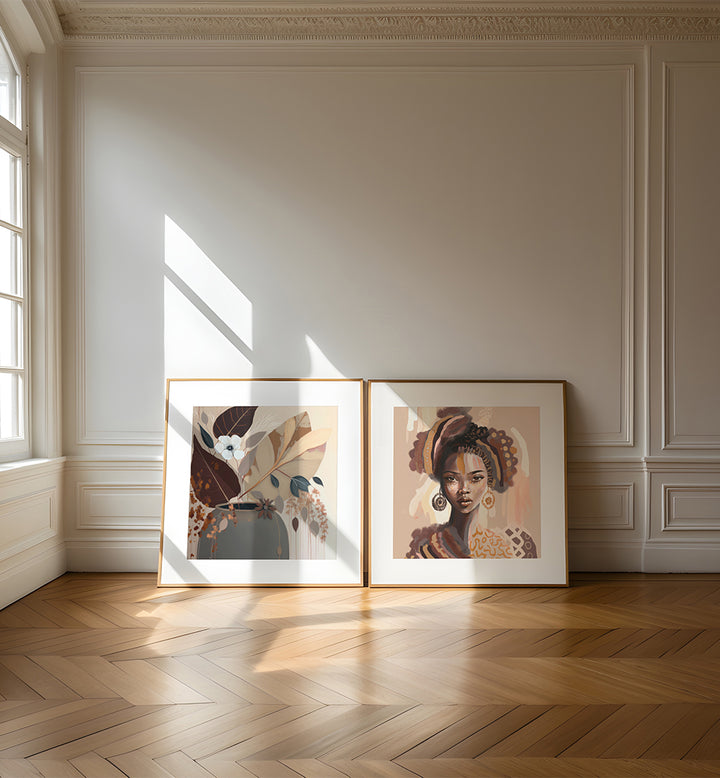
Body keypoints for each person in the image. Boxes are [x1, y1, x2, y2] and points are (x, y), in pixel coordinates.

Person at [406, 408, 537, 559]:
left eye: (475, 478)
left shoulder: (513, 547)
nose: (464, 489)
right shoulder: (423, 552)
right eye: (452, 478)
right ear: (441, 483)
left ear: (489, 481)